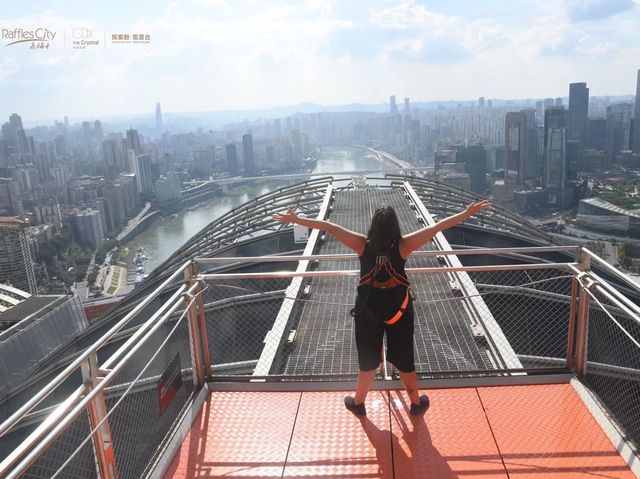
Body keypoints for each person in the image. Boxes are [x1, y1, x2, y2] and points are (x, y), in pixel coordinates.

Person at [273, 199, 491, 416]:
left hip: (369, 309)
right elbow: (437, 227)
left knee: (368, 358)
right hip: (399, 308)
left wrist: (297, 219)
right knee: (404, 356)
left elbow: (329, 227)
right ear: (395, 226)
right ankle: (416, 403)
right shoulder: (404, 246)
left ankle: (358, 403)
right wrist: (466, 212)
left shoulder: (362, 244)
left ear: (374, 225)